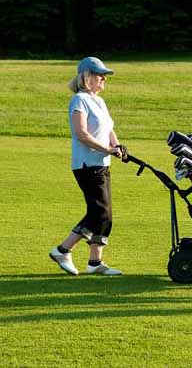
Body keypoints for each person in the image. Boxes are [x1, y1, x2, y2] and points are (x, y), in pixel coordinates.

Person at [49, 57, 126, 276]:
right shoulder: (79, 100)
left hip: (101, 163)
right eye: (100, 75)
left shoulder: (99, 101)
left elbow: (109, 129)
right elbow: (81, 133)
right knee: (100, 212)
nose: (104, 79)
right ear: (87, 77)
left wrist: (116, 146)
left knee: (104, 214)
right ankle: (63, 250)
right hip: (86, 164)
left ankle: (94, 263)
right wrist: (106, 149)